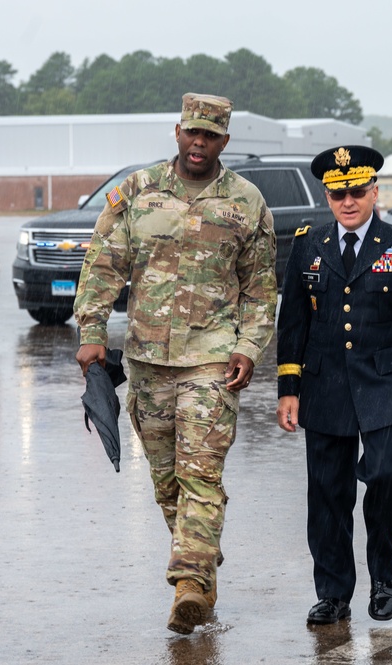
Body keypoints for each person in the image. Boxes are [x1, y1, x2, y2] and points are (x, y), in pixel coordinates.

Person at [74, 92, 278, 634]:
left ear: (224, 142)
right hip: (146, 363)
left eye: (210, 135)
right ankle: (203, 566)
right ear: (178, 133)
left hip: (211, 363)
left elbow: (261, 290)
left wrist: (248, 347)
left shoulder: (248, 203)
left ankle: (188, 582)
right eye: (192, 132)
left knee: (200, 474)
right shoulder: (138, 193)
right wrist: (92, 333)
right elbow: (102, 265)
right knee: (167, 483)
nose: (198, 142)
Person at [275, 145, 392, 625]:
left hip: (384, 386)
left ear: (375, 191)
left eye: (356, 191)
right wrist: (288, 388)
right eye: (337, 194)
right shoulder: (308, 246)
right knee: (327, 493)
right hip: (324, 386)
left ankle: (384, 578)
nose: (347, 201)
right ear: (327, 197)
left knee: (386, 476)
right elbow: (292, 324)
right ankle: (333, 594)